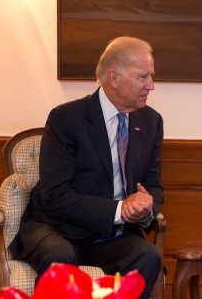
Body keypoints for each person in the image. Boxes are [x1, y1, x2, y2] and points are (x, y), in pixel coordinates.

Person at [9, 36, 164, 299]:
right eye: (143, 77)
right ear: (114, 77)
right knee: (59, 259)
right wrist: (120, 209)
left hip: (111, 236)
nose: (151, 85)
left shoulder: (150, 121)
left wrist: (145, 207)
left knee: (147, 256)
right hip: (58, 229)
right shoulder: (66, 119)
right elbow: (55, 197)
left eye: (151, 76)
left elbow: (153, 187)